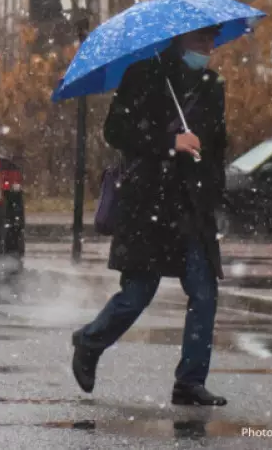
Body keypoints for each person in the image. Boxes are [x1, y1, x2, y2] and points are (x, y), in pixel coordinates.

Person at [70, 26, 228, 407]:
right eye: (201, 40)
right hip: (149, 206)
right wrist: (170, 143)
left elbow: (218, 143)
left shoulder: (211, 85)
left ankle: (190, 381)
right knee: (138, 293)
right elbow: (116, 131)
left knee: (204, 292)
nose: (208, 47)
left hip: (192, 207)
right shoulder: (143, 74)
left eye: (212, 40)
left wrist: (211, 184)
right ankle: (89, 342)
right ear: (180, 39)